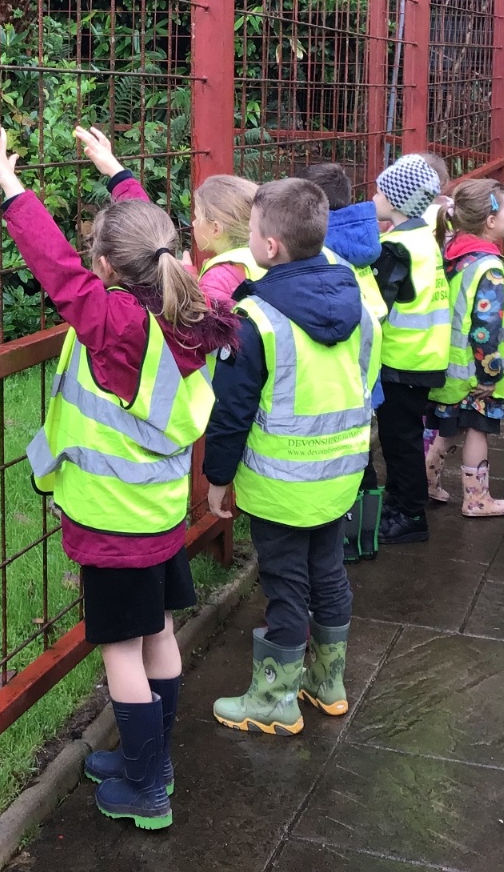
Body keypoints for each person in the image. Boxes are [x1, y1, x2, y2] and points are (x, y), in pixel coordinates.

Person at [0, 121, 239, 830]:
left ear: (103, 267)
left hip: (111, 522)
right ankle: (149, 762)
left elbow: (56, 268)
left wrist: (9, 184)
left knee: (122, 650)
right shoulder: (189, 306)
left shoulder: (115, 326)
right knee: (158, 631)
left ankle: (148, 786)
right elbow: (144, 239)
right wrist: (116, 173)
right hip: (158, 514)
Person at [202, 178, 380, 734]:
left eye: (252, 230)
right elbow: (364, 381)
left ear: (269, 245)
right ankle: (327, 683)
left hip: (280, 485)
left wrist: (217, 478)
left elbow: (230, 413)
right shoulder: (358, 303)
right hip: (338, 475)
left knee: (285, 586)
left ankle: (274, 700)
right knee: (328, 575)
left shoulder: (254, 321)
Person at [301, 162, 387, 561]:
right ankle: (363, 540)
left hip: (333, 377)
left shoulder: (320, 247)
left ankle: (339, 544)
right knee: (362, 458)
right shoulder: (362, 240)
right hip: (368, 377)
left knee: (335, 463)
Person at [369, 154, 452, 545]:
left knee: (399, 442)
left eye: (379, 191)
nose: (374, 197)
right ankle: (398, 502)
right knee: (402, 437)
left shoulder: (395, 247)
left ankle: (411, 514)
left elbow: (377, 305)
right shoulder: (423, 239)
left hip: (401, 360)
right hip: (425, 355)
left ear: (396, 200)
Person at [424, 179, 504, 518]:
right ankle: (477, 500)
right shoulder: (488, 267)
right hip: (476, 373)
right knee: (478, 429)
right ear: (490, 221)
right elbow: (485, 329)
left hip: (451, 368)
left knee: (450, 428)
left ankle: (426, 482)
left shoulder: (453, 254)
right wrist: (490, 374)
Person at [193, 173, 263, 306]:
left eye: (197, 217)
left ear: (215, 229)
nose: (193, 223)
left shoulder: (216, 280)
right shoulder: (269, 258)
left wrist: (187, 286)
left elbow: (209, 319)